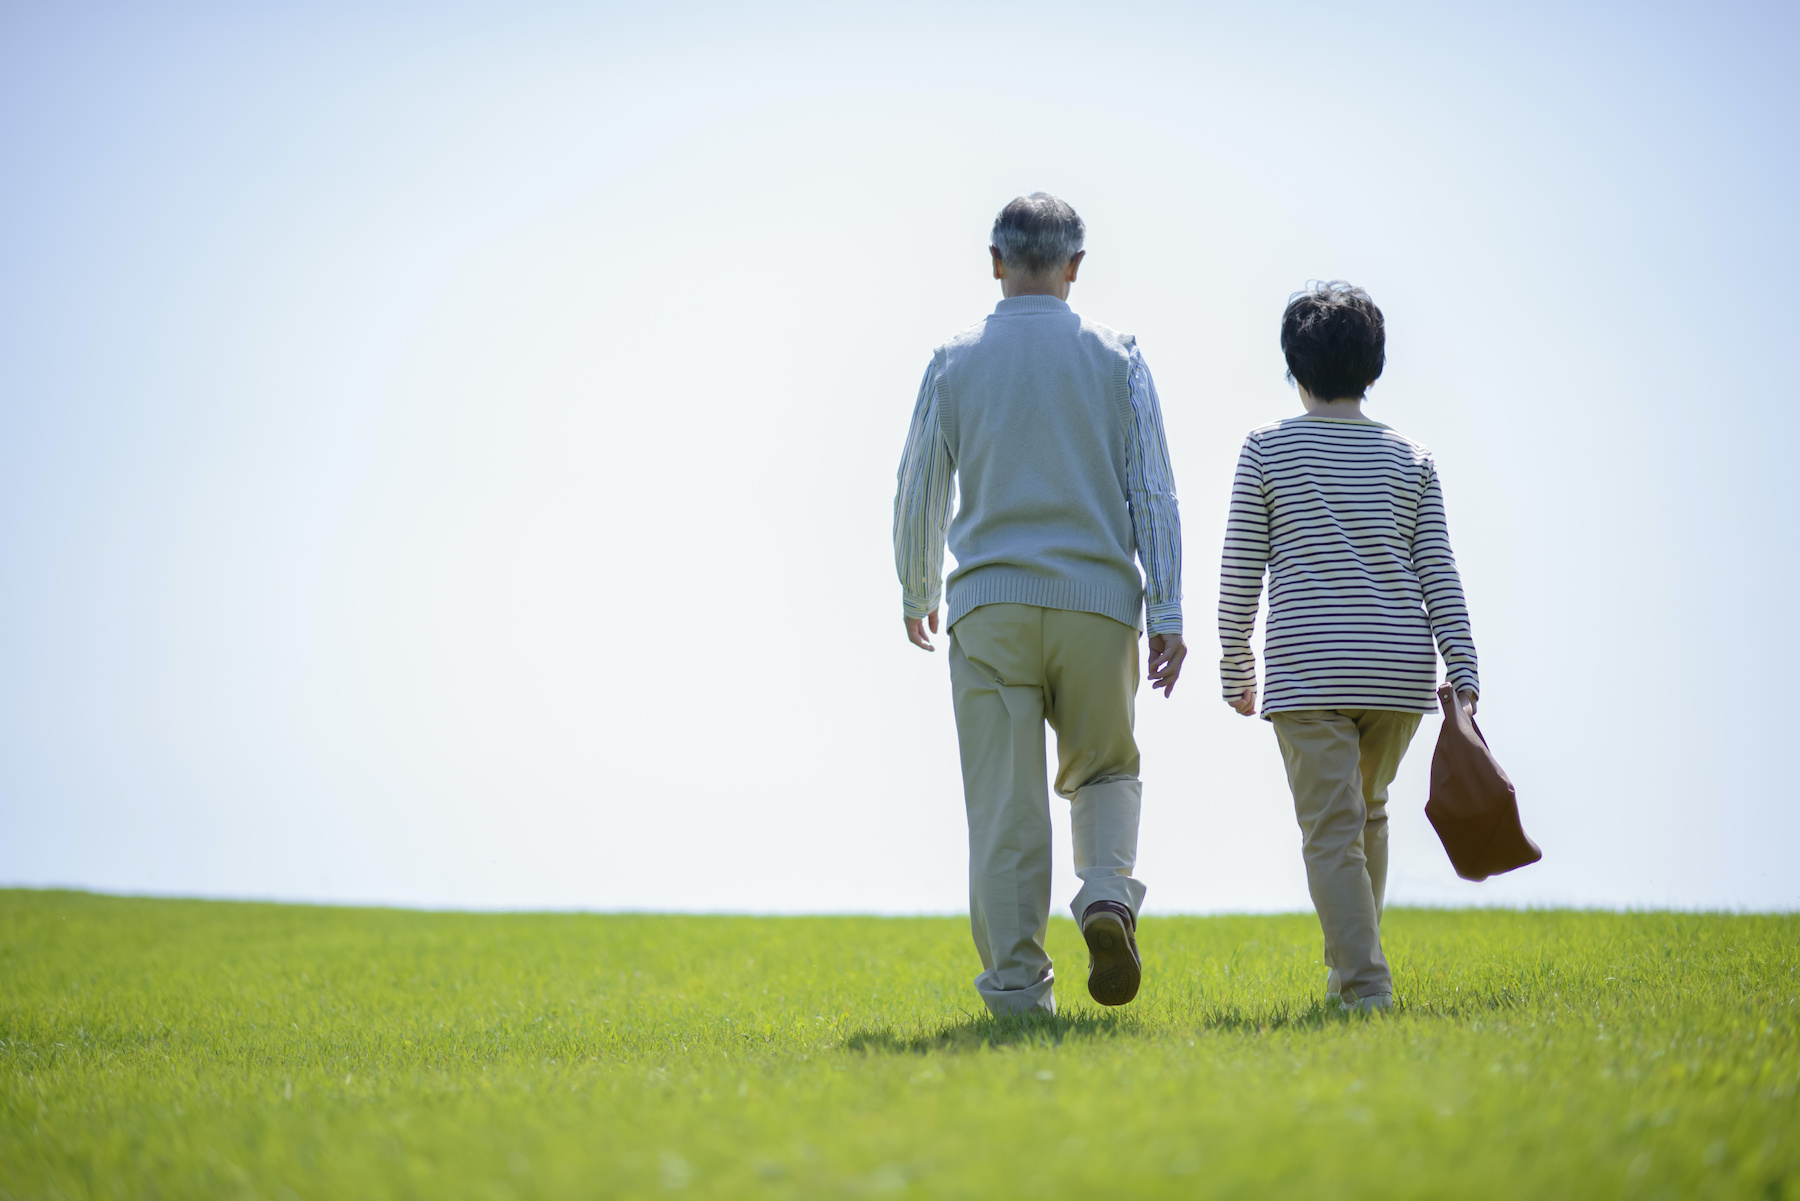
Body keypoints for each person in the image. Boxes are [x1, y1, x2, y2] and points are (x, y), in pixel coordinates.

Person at [893, 193, 1185, 1015]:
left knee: (1006, 811)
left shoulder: (954, 361)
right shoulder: (1118, 356)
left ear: (994, 261)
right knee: (1105, 769)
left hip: (989, 609)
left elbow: (919, 485)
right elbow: (1153, 490)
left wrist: (916, 586)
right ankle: (1103, 894)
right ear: (1075, 267)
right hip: (1097, 602)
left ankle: (1020, 993)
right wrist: (1166, 609)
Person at [1218, 281, 1480, 1012]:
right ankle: (1350, 978)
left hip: (1309, 672)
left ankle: (1365, 986)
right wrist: (1463, 667)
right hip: (1398, 672)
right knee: (1367, 814)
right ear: (1375, 367)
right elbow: (1440, 569)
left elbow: (1242, 563)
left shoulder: (1266, 448)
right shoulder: (1412, 457)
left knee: (1332, 831)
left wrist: (1234, 660)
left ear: (1295, 369)